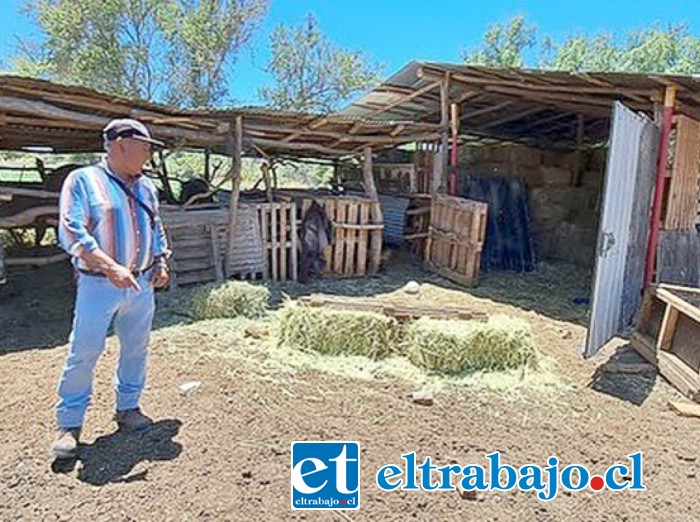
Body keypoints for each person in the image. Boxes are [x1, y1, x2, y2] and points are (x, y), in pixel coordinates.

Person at [52, 119, 171, 459]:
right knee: (84, 351)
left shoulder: (146, 186)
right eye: (145, 145)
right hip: (99, 284)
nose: (148, 153)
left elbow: (156, 225)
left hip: (142, 282)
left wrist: (161, 260)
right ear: (120, 144)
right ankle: (69, 424)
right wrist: (110, 266)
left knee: (137, 348)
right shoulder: (83, 180)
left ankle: (128, 408)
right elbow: (71, 230)